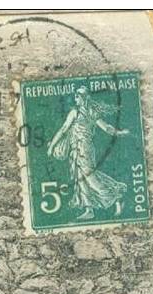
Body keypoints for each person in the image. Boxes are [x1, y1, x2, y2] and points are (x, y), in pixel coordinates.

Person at [46, 86, 130, 221]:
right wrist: (52, 147)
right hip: (76, 149)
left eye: (78, 96)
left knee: (90, 177)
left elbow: (106, 128)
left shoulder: (90, 112)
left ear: (84, 97)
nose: (75, 98)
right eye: (75, 96)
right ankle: (89, 209)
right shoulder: (76, 112)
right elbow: (63, 130)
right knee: (80, 177)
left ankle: (116, 198)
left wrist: (119, 133)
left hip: (85, 149)